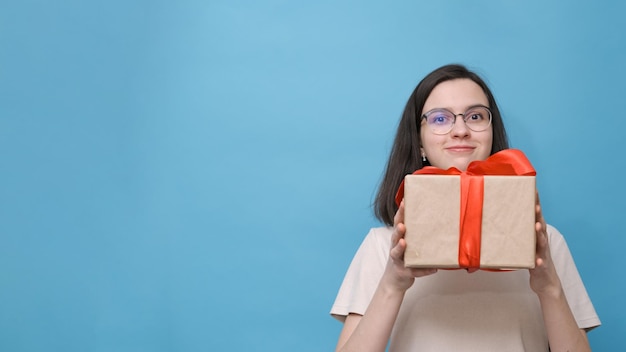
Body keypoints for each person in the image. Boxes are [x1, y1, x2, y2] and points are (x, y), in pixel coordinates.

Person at [330, 64, 600, 351]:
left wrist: (549, 286)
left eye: (475, 116)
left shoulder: (546, 243)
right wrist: (392, 283)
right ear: (419, 142)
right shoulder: (382, 246)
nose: (460, 130)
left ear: (491, 133)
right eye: (440, 118)